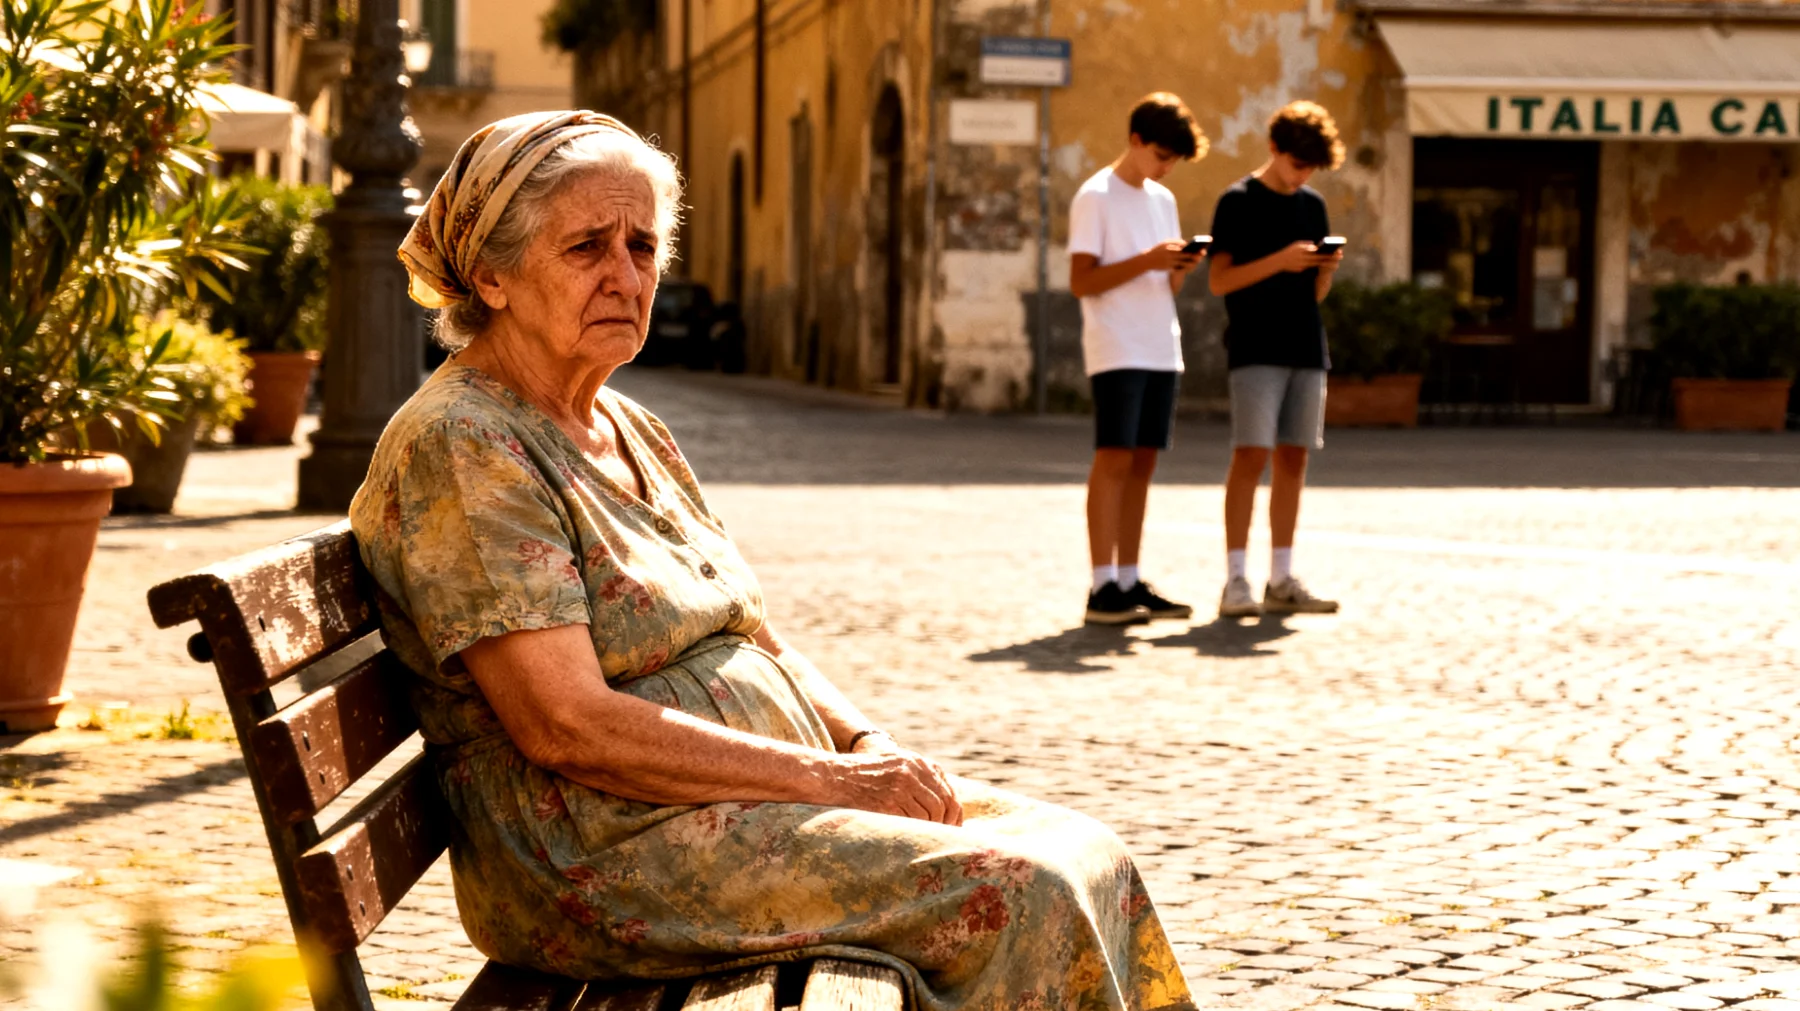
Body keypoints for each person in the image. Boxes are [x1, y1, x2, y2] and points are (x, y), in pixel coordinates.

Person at [350, 111, 1196, 1011]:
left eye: (642, 246)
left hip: (737, 803)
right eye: (586, 246)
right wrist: (835, 779)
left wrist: (868, 745)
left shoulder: (628, 425)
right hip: (598, 848)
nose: (625, 275)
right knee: (1022, 891)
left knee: (1086, 849)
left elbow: (754, 632)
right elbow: (565, 722)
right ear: (492, 273)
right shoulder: (464, 442)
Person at [1068, 92, 1208, 625]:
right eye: (1162, 156)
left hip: (1159, 345)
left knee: (1144, 462)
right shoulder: (1095, 196)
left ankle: (1129, 577)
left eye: (1174, 160)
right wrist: (1146, 260)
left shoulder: (1162, 201)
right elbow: (1082, 281)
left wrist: (1178, 267)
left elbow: (1161, 284)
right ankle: (1102, 584)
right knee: (1114, 457)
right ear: (1135, 140)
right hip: (1116, 345)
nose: (1167, 169)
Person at [1206, 100, 1346, 619]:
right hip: (1255, 348)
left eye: (1309, 169)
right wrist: (1279, 261)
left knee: (1295, 458)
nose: (1301, 177)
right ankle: (1235, 579)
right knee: (1250, 455)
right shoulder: (1237, 201)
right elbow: (1220, 280)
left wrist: (1324, 270)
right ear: (1274, 149)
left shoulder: (1312, 205)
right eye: (1296, 165)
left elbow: (1314, 294)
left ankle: (1282, 576)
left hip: (1307, 347)